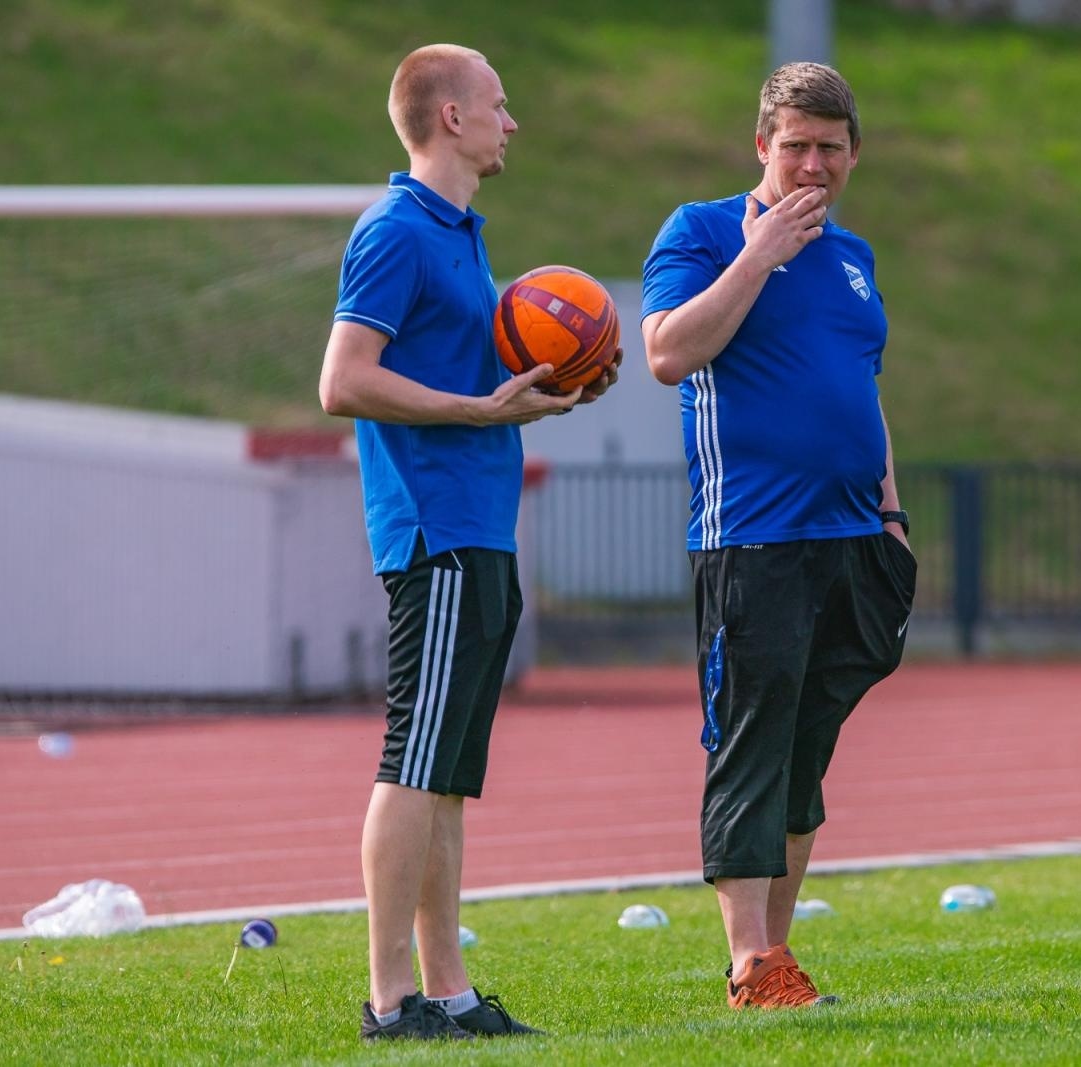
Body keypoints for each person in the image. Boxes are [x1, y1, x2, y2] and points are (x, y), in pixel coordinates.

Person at [318, 43, 618, 1042]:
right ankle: (388, 1000)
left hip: (481, 525)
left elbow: (484, 382)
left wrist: (557, 383)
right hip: (434, 528)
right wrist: (477, 412)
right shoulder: (395, 230)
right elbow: (342, 380)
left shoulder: (461, 236)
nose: (511, 120)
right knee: (414, 758)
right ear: (450, 117)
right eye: (498, 102)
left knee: (446, 768)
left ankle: (446, 994)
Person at [640, 61, 916, 1010]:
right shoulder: (702, 229)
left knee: (807, 754)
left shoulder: (857, 258)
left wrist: (893, 514)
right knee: (751, 744)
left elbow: (863, 391)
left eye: (828, 149)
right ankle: (749, 964)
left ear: (852, 155)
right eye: (793, 145)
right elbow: (669, 352)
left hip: (853, 536)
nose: (810, 165)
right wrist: (758, 256)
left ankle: (780, 957)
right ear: (761, 145)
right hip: (753, 538)